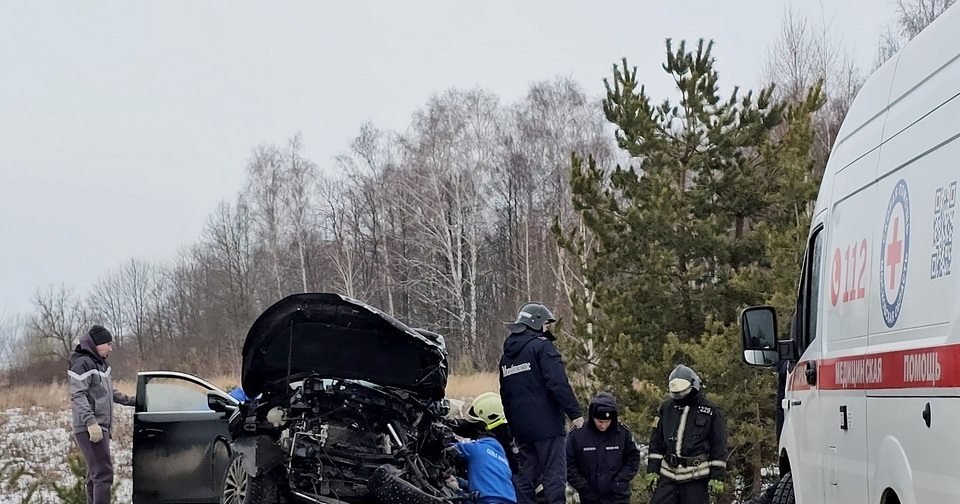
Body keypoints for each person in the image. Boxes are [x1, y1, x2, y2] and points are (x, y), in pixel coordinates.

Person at [498, 302, 583, 504]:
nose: (547, 329)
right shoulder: (542, 346)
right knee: (554, 476)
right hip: (548, 428)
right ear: (535, 323)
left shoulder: (506, 357)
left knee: (525, 478)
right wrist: (575, 414)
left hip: (522, 429)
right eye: (546, 324)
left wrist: (513, 429)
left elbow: (505, 396)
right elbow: (558, 384)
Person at [68, 325, 136, 504]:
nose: (111, 348)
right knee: (103, 474)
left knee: (95, 475)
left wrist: (132, 400)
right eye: (108, 344)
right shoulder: (82, 363)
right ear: (97, 344)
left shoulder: (101, 364)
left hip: (101, 425)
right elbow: (78, 395)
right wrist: (91, 423)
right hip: (90, 428)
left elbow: (107, 392)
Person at [647, 365, 726, 504]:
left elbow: (719, 445)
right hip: (668, 476)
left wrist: (717, 476)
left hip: (696, 477)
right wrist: (652, 469)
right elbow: (656, 441)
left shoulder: (710, 410)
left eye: (682, 392)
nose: (680, 396)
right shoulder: (666, 408)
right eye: (676, 393)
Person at [566, 392, 641, 504]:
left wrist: (620, 480)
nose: (603, 425)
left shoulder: (622, 433)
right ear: (592, 417)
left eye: (607, 422)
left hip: (618, 495)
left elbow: (633, 459)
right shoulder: (577, 435)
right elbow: (568, 464)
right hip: (590, 497)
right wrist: (583, 486)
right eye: (600, 421)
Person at [446, 394, 519, 504]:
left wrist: (457, 490)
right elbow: (492, 483)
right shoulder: (503, 451)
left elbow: (450, 447)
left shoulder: (477, 448)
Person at [449, 392, 520, 475]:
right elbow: (472, 428)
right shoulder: (503, 430)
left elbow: (475, 431)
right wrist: (455, 423)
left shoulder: (499, 438)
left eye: (478, 422)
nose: (476, 424)